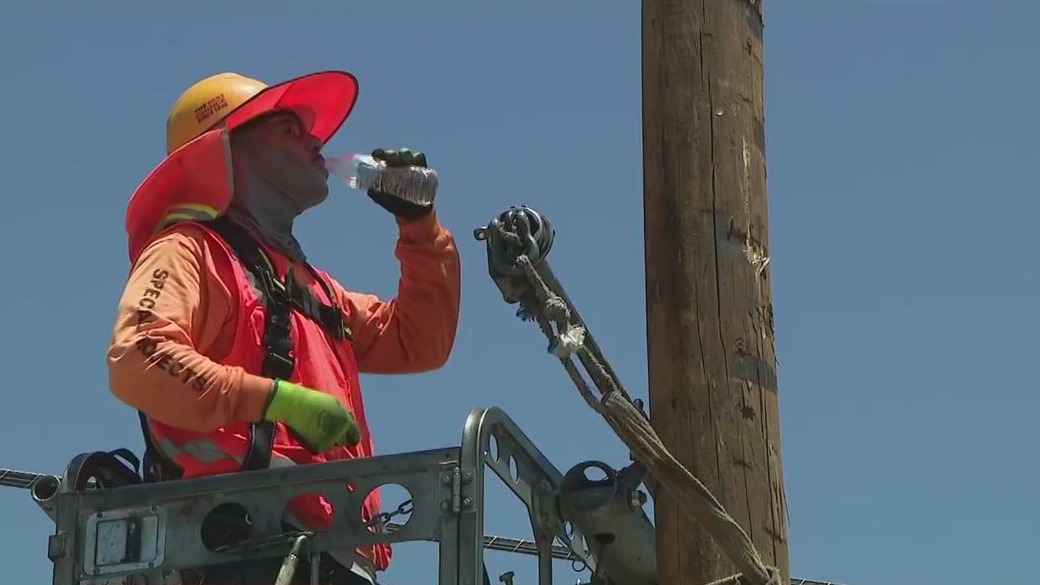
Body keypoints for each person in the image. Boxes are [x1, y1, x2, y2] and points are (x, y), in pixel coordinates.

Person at [105, 70, 462, 585]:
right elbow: (137, 357)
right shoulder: (188, 251)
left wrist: (420, 227)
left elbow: (419, 342)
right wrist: (276, 400)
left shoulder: (314, 289)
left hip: (330, 557)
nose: (317, 140)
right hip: (240, 552)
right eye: (290, 130)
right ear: (224, 149)